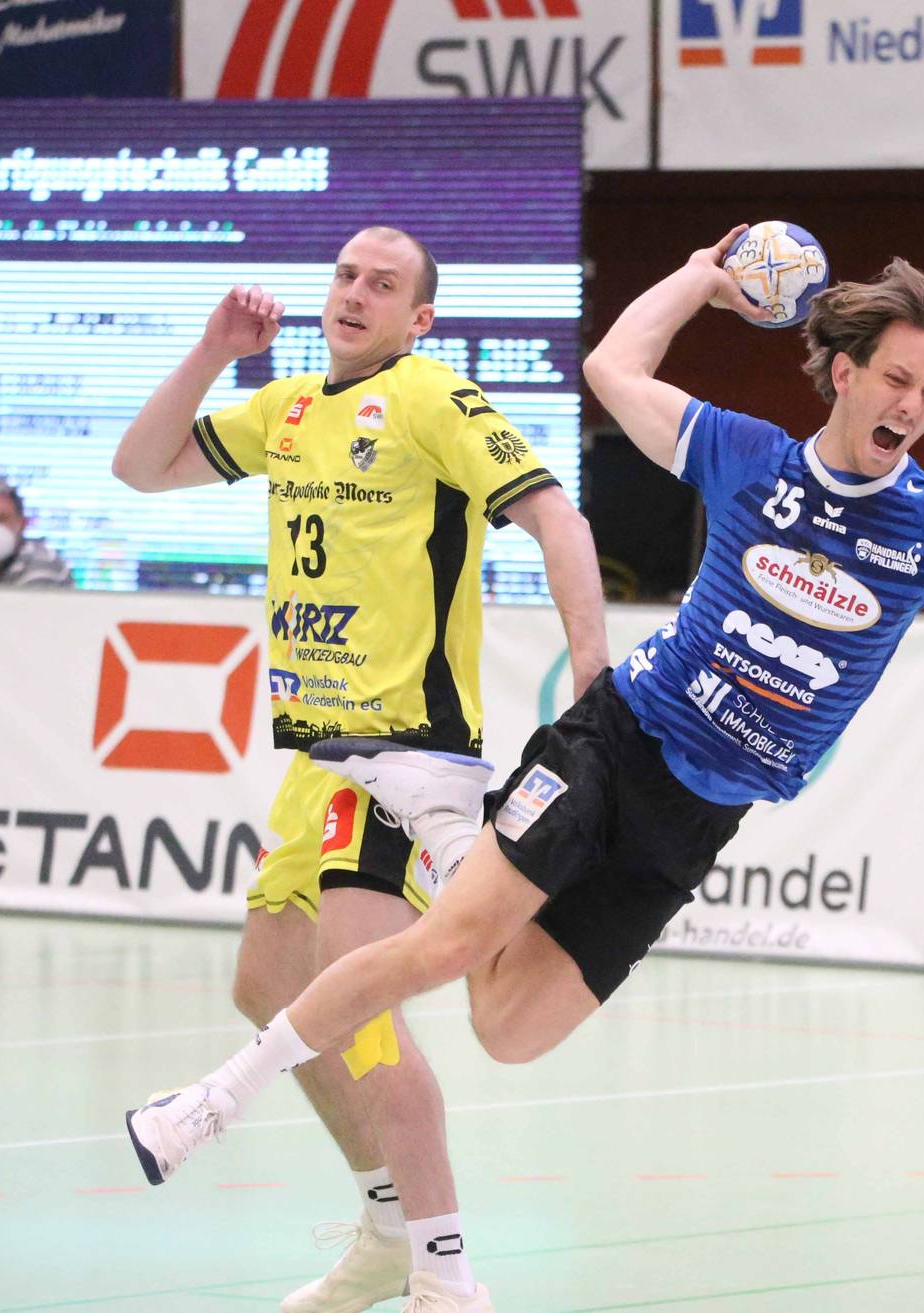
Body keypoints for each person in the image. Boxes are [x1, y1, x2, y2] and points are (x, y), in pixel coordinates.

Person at [121, 233, 924, 1247]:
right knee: (447, 946)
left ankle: (464, 855)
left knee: (506, 1027)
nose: (914, 404)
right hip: (616, 740)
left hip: (698, 816)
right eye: (898, 378)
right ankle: (209, 1102)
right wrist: (701, 277)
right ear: (846, 374)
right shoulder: (751, 456)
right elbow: (613, 368)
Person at [112, 224, 606, 1313]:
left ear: (418, 318)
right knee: (266, 983)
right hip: (317, 758)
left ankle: (445, 1274)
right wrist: (213, 351)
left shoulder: (432, 397)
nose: (355, 293)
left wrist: (591, 675)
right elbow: (139, 467)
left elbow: (557, 519)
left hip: (404, 757)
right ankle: (388, 1221)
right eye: (344, 275)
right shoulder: (287, 407)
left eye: (383, 285)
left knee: (363, 1003)